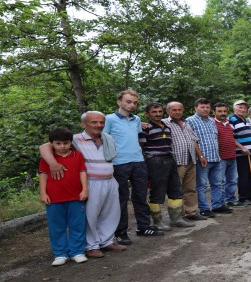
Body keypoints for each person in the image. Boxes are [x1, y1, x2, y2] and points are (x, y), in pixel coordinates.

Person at [40, 112, 126, 260]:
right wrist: (53, 163)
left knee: (110, 213)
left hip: (109, 180)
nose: (99, 125)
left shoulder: (107, 138)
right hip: (91, 182)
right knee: (90, 215)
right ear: (83, 124)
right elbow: (45, 146)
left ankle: (106, 241)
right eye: (94, 122)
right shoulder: (74, 139)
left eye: (101, 122)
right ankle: (91, 246)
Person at [104, 89, 163, 244]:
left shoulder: (136, 119)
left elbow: (137, 136)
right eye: (128, 101)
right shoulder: (108, 119)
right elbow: (103, 140)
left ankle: (143, 227)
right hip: (118, 163)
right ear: (119, 102)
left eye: (135, 103)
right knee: (121, 199)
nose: (132, 105)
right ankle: (121, 232)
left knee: (140, 196)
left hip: (138, 161)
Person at [140, 102, 195, 230]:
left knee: (176, 189)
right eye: (154, 112)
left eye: (160, 111)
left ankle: (176, 219)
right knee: (157, 192)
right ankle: (157, 222)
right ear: (147, 114)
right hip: (154, 161)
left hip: (170, 159)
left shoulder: (166, 126)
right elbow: (140, 146)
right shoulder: (145, 128)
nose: (158, 114)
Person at [38, 128, 88, 266]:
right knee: (56, 227)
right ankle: (60, 253)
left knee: (77, 225)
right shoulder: (47, 159)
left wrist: (85, 189)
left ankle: (77, 251)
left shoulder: (77, 155)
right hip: (54, 198)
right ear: (52, 144)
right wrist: (43, 193)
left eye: (65, 143)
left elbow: (82, 172)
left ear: (71, 143)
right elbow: (43, 175)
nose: (62, 146)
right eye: (58, 143)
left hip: (76, 197)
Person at [186, 98, 233, 217]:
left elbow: (214, 139)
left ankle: (217, 205)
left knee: (217, 183)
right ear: (195, 108)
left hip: (216, 158)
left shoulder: (212, 121)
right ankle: (204, 208)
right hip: (202, 159)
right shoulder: (190, 121)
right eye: (202, 107)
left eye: (207, 107)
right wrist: (200, 155)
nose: (205, 109)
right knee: (201, 185)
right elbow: (192, 141)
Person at [162, 101, 208, 221]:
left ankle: (191, 212)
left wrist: (201, 156)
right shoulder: (164, 123)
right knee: (176, 190)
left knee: (190, 188)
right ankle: (179, 216)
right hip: (177, 162)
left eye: (179, 110)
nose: (177, 112)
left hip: (191, 161)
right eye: (174, 110)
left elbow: (194, 141)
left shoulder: (186, 123)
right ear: (168, 111)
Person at [212, 102, 243, 208]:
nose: (222, 113)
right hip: (220, 158)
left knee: (233, 180)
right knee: (220, 182)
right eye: (220, 111)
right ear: (214, 112)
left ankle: (231, 199)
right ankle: (220, 203)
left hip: (232, 155)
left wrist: (241, 147)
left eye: (224, 111)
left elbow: (232, 138)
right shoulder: (212, 123)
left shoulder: (229, 122)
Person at [228, 100, 251, 204]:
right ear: (234, 108)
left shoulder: (244, 119)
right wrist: (242, 147)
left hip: (249, 152)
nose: (243, 110)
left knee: (250, 175)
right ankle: (243, 197)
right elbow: (230, 137)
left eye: (244, 108)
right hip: (241, 153)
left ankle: (250, 196)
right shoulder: (231, 119)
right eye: (240, 107)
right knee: (243, 176)